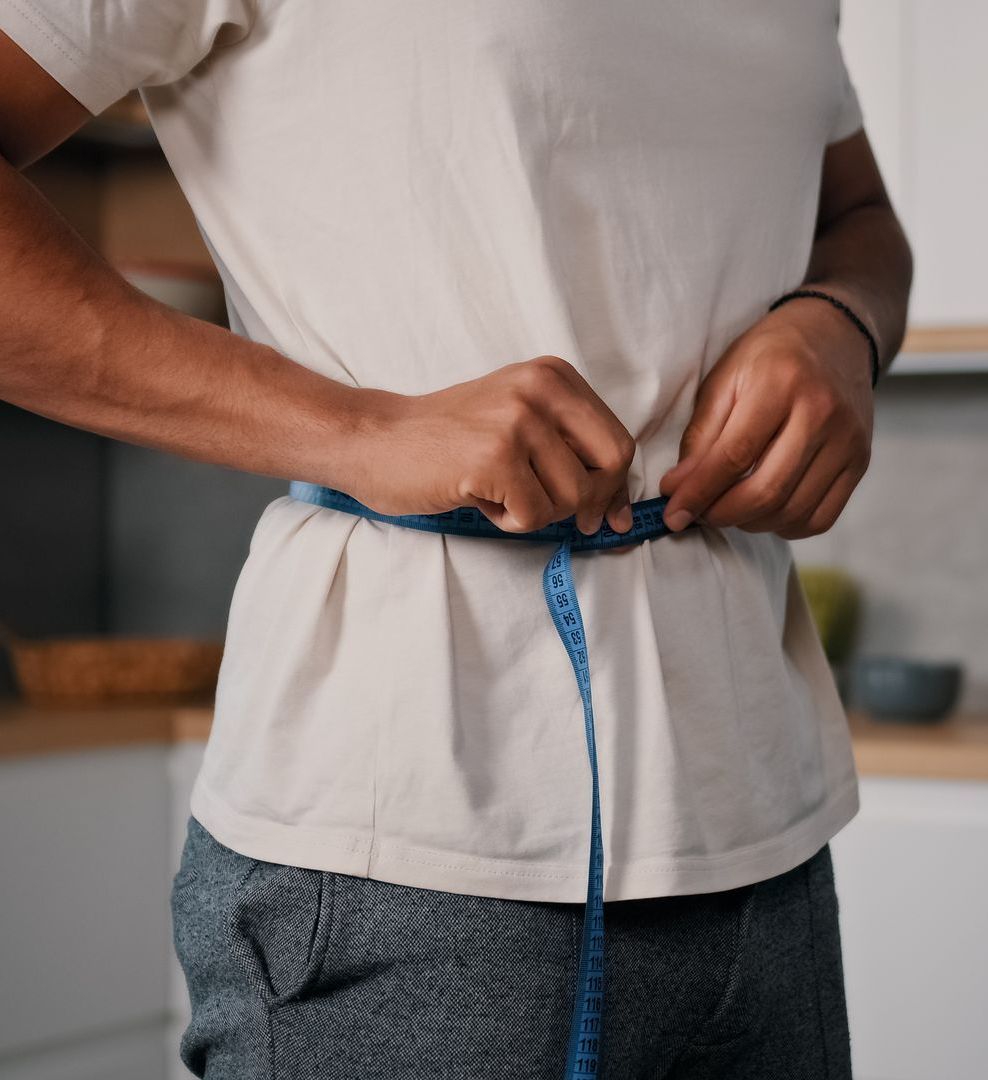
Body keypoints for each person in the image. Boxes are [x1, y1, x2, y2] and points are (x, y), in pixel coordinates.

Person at [0, 1, 912, 1077]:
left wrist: (840, 320)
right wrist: (360, 430)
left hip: (765, 823)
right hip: (408, 851)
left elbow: (858, 216)